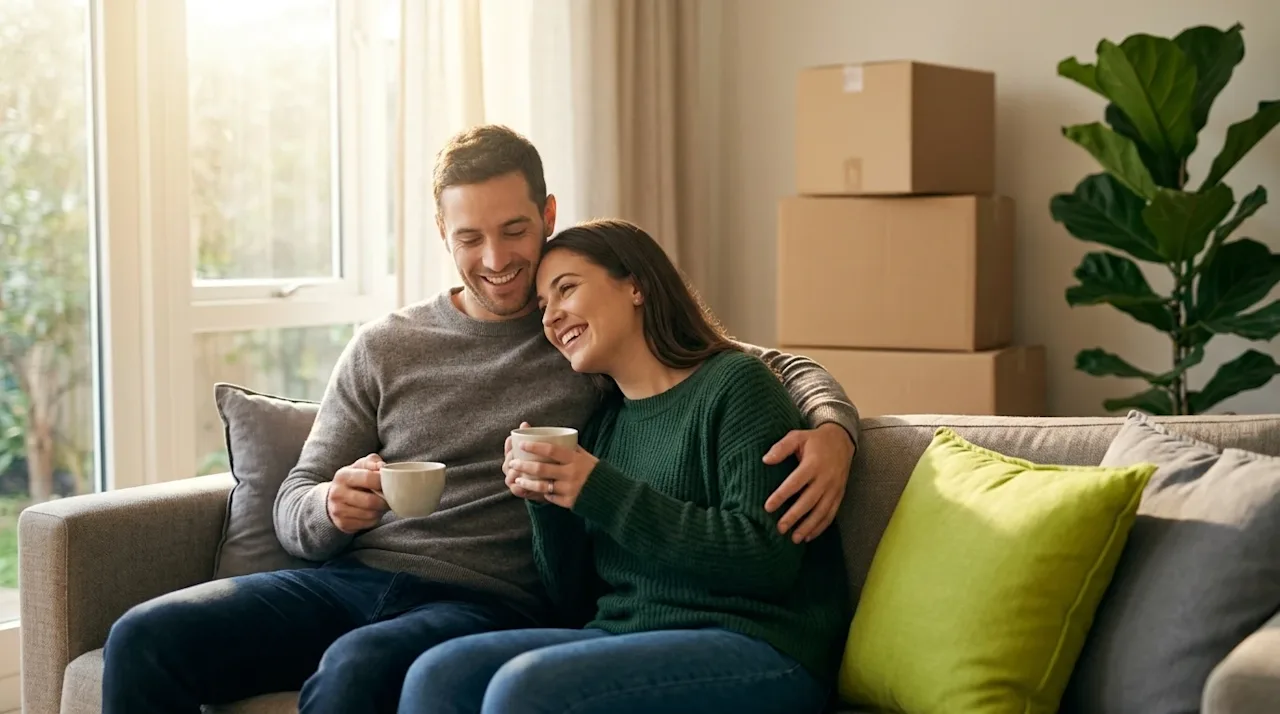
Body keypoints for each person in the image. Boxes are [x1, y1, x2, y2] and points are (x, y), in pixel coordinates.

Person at [100, 125, 860, 714]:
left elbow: (734, 361)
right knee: (144, 638)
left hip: (482, 600)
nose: (496, 259)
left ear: (547, 216)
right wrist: (331, 507)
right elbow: (296, 499)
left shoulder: (587, 340)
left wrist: (832, 427)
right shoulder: (389, 345)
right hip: (351, 577)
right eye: (470, 238)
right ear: (443, 234)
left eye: (515, 232)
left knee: (362, 667)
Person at [396, 218, 850, 714]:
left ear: (635, 285)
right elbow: (574, 603)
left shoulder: (736, 386)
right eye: (544, 306)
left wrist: (599, 489)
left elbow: (766, 562)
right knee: (439, 672)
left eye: (567, 289)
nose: (551, 318)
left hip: (759, 644)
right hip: (625, 637)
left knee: (527, 688)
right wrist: (546, 504)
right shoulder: (604, 427)